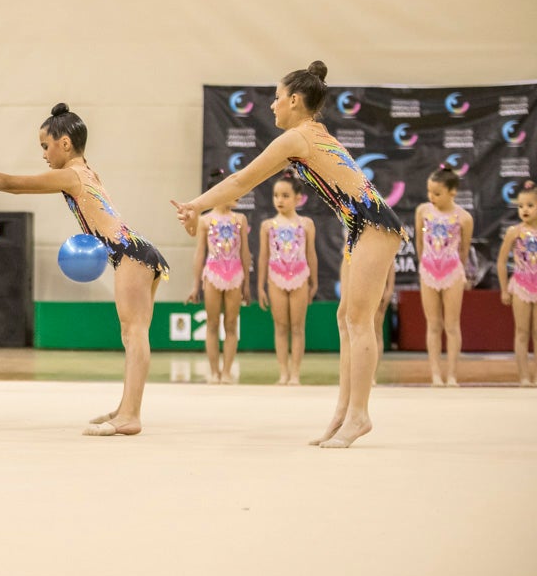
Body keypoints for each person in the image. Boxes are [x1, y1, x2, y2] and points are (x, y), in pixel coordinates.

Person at [172, 61, 405, 448]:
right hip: (363, 225)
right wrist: (200, 205)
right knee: (346, 318)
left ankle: (359, 415)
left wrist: (196, 205)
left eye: (277, 99)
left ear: (295, 100)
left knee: (359, 321)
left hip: (375, 224)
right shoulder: (305, 136)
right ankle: (343, 413)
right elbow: (244, 181)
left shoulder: (299, 137)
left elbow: (240, 179)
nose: (272, 106)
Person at [0, 103, 169, 436]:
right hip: (138, 251)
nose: (43, 153)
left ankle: (130, 416)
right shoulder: (89, 172)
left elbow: (12, 183)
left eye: (45, 145)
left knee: (133, 333)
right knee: (135, 333)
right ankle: (127, 408)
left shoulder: (71, 175)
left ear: (65, 143)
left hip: (130, 254)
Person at [188, 170, 251, 383]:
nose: (238, 194)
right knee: (213, 324)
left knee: (231, 324)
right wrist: (195, 285)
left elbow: (244, 253)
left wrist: (247, 285)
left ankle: (226, 371)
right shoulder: (205, 221)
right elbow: (199, 254)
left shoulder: (240, 219)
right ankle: (214, 371)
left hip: (235, 274)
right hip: (213, 273)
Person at [415, 164, 474, 387]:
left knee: (451, 325)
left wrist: (461, 273)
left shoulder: (464, 217)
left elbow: (464, 250)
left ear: (453, 192)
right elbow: (420, 244)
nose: (432, 197)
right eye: (429, 192)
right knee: (433, 324)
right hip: (429, 270)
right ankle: (435, 374)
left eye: (437, 193)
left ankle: (451, 374)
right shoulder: (423, 211)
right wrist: (425, 265)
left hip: (453, 272)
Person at [257, 171, 318, 385]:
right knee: (281, 326)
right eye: (276, 195)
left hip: (300, 276)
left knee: (297, 327)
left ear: (298, 198)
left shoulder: (307, 224)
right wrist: (261, 286)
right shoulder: (267, 226)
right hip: (276, 277)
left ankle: (295, 373)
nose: (279, 200)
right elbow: (263, 256)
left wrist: (314, 282)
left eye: (285, 195)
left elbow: (311, 253)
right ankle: (283, 372)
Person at [496, 180, 537, 387]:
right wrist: (504, 288)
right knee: (522, 332)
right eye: (521, 206)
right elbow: (502, 261)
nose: (524, 210)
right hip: (521, 284)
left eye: (530, 205)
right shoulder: (514, 231)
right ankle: (523, 376)